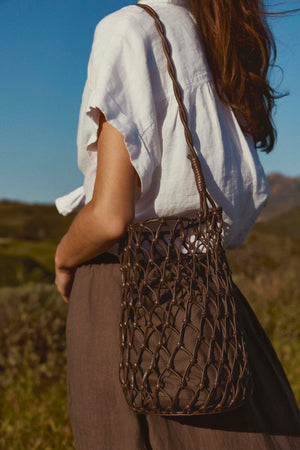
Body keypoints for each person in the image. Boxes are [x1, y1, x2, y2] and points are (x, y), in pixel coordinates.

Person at [54, 0, 300, 448]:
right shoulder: (217, 35)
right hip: (213, 299)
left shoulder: (128, 29)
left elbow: (111, 218)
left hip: (124, 293)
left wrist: (64, 255)